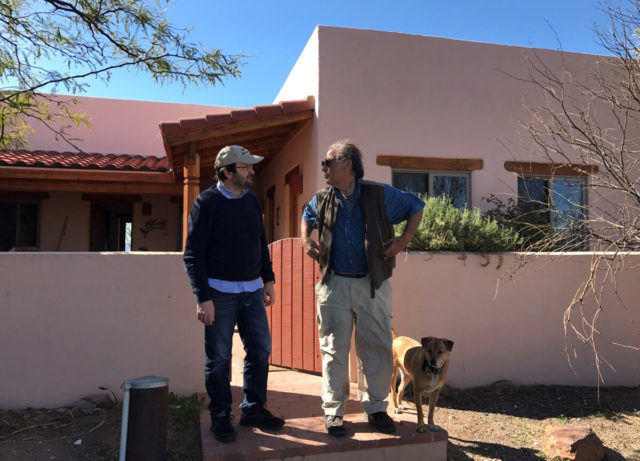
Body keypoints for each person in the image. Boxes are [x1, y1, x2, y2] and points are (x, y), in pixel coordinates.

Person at [301, 140, 424, 437]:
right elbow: (307, 215)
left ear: (347, 164)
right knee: (333, 350)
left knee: (377, 348)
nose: (323, 168)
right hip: (334, 285)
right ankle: (334, 412)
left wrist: (403, 240)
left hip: (373, 284)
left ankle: (377, 408)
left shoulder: (380, 194)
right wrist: (306, 239)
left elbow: (416, 207)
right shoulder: (323, 198)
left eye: (327, 163)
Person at [183, 145, 285, 443]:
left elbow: (260, 242)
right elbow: (193, 256)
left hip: (252, 291)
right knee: (218, 357)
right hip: (219, 293)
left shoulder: (252, 200)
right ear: (227, 172)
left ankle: (253, 410)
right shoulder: (207, 203)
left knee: (260, 352)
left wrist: (268, 279)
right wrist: (203, 297)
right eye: (245, 167)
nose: (252, 171)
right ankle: (219, 416)